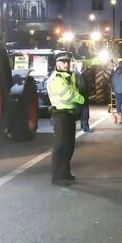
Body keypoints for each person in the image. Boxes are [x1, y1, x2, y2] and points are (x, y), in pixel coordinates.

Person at [47, 52, 84, 186]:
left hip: (69, 115)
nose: (66, 64)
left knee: (69, 146)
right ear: (57, 63)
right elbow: (68, 95)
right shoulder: (56, 78)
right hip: (61, 115)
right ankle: (57, 177)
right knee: (61, 147)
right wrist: (82, 99)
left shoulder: (69, 76)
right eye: (63, 62)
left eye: (67, 62)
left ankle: (65, 173)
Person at [110, 59, 122, 124]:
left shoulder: (115, 72)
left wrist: (113, 90)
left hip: (116, 91)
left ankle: (119, 116)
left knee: (118, 103)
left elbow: (112, 81)